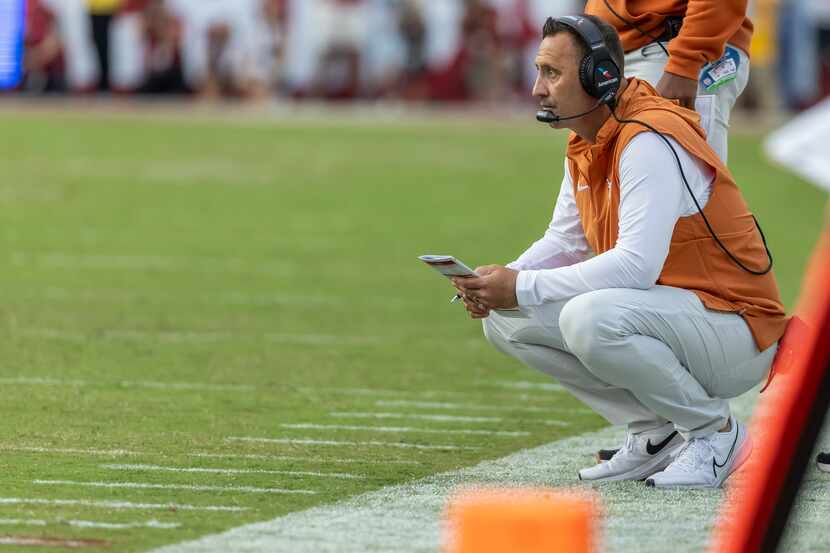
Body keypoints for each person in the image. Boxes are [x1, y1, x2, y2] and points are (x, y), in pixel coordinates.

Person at [452, 14, 788, 488]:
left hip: (736, 330)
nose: (536, 89)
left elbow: (636, 264)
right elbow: (564, 240)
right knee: (505, 319)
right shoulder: (587, 136)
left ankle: (716, 433)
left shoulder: (647, 137)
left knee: (589, 317)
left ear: (599, 76)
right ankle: (656, 432)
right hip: (676, 319)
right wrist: (499, 279)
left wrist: (523, 286)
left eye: (552, 73)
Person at [584, 0, 752, 163]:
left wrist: (685, 62)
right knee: (602, 181)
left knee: (675, 180)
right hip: (614, 48)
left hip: (675, 45)